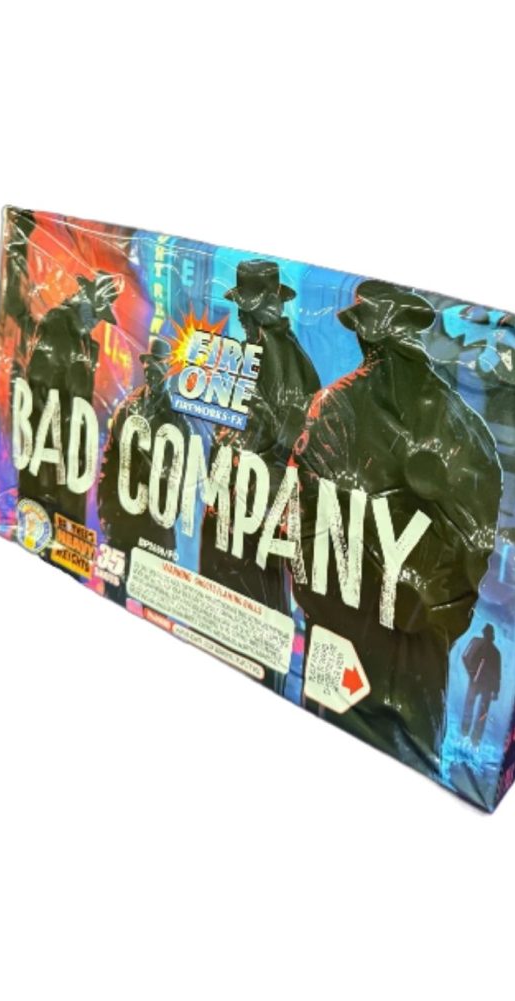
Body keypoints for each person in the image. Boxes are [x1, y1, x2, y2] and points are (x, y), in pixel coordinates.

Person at [291, 280, 503, 775]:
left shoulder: (336, 406)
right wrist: (434, 625)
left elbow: (301, 525)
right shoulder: (467, 425)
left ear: (367, 333)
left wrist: (329, 608)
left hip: (344, 634)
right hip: (419, 652)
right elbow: (478, 548)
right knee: (415, 764)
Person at [199, 260, 321, 693]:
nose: (241, 317)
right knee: (243, 625)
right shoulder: (271, 353)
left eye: (246, 308)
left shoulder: (280, 357)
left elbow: (290, 439)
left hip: (251, 515)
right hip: (245, 512)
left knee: (249, 624)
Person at [18, 272, 120, 537]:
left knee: (65, 519)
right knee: (46, 512)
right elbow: (46, 383)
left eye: (100, 315)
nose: (96, 320)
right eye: (95, 311)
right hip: (50, 444)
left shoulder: (84, 339)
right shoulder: (59, 322)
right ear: (83, 297)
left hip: (68, 445)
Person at [98, 336, 188, 602]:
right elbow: (109, 462)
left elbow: (179, 479)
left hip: (155, 526)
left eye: (158, 368)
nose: (152, 373)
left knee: (154, 604)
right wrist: (106, 511)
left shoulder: (178, 422)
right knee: (113, 591)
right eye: (149, 367)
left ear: (168, 372)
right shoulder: (127, 409)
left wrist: (166, 517)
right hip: (123, 519)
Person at [461, 623, 502, 747]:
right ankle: (467, 733)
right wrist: (471, 674)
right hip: (478, 683)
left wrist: (496, 690)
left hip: (484, 685)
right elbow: (464, 656)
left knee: (480, 712)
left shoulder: (494, 652)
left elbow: (497, 673)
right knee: (472, 708)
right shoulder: (479, 643)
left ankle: (474, 738)